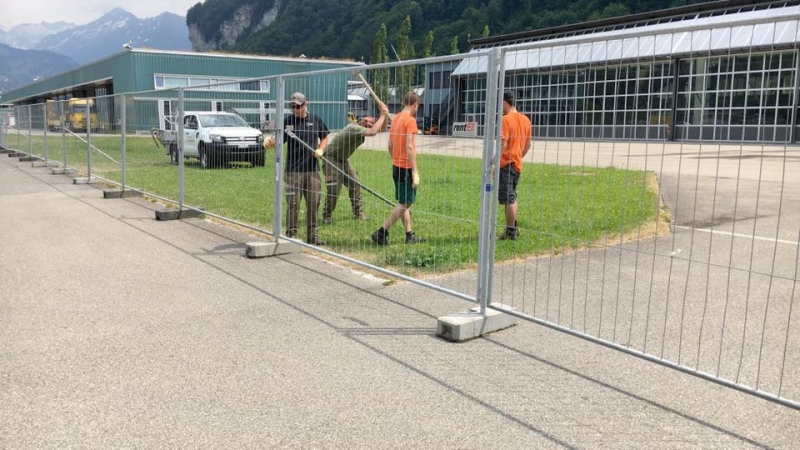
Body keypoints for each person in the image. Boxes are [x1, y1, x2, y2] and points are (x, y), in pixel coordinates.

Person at [267, 92, 330, 245]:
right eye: (292, 106)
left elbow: (325, 137)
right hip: (293, 171)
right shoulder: (288, 122)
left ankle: (312, 235)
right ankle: (291, 234)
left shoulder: (315, 120)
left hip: (312, 170)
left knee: (314, 203)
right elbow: (279, 140)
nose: (295, 109)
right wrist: (270, 142)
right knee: (293, 203)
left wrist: (321, 149)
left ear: (305, 105)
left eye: (298, 106)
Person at [322, 103, 389, 224]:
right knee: (334, 189)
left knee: (355, 183)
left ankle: (358, 213)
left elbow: (382, 129)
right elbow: (373, 132)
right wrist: (383, 115)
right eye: (365, 120)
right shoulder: (353, 127)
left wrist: (383, 115)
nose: (366, 123)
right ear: (361, 119)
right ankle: (327, 215)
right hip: (331, 159)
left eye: (370, 123)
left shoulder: (363, 130)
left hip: (343, 159)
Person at [371, 91, 422, 245]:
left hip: (396, 166)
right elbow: (409, 147)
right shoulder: (410, 121)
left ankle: (409, 235)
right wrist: (414, 171)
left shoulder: (396, 119)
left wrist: (396, 159)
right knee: (404, 203)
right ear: (415, 104)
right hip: (406, 168)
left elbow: (390, 145)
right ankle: (382, 232)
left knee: (403, 201)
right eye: (418, 106)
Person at [497, 90, 532, 240]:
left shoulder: (505, 120)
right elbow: (528, 144)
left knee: (509, 198)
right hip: (517, 163)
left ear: (505, 103)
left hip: (506, 163)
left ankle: (511, 232)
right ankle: (511, 227)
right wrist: (519, 156)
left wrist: (495, 162)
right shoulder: (525, 120)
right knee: (511, 196)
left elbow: (503, 144)